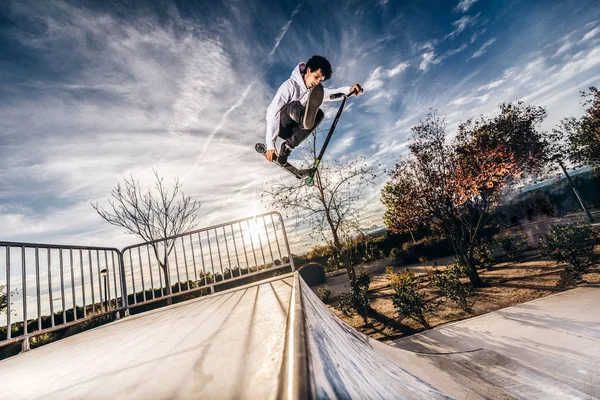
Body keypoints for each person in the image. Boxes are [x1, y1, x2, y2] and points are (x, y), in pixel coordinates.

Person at [264, 55, 363, 165]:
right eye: (316, 77)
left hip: (294, 131)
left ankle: (287, 148)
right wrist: (270, 144)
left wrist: (349, 90)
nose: (317, 82)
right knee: (294, 105)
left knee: (319, 114)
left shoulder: (314, 91)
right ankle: (304, 120)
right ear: (308, 70)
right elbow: (272, 111)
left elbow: (330, 93)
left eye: (321, 80)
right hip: (282, 125)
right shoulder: (289, 85)